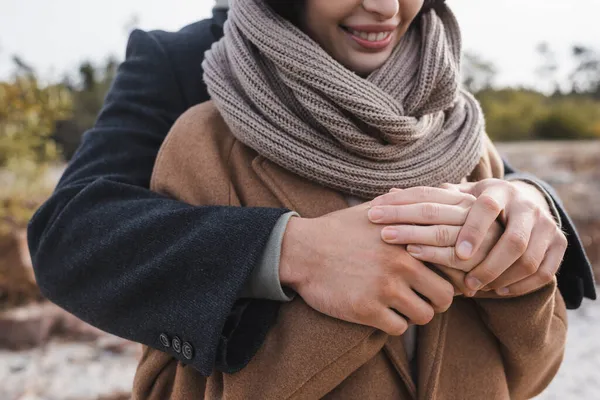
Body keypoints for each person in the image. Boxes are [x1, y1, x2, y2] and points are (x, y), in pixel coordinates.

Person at [27, 0, 594, 384]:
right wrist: (291, 251)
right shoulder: (183, 63)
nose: (387, 8)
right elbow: (71, 233)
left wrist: (530, 199)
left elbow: (492, 171)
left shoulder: (428, 67)